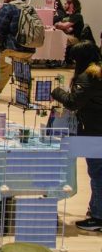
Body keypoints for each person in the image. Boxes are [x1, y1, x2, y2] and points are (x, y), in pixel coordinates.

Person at [53, 41, 102, 232]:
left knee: (97, 173)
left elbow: (73, 102)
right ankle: (96, 210)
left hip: (95, 132)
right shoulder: (97, 71)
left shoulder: (87, 77)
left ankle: (98, 217)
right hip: (97, 130)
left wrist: (57, 92)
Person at [0, 0, 39, 100]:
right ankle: (24, 97)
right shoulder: (29, 8)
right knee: (23, 70)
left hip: (11, 48)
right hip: (28, 48)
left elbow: (0, 27)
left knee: (5, 68)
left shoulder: (8, 7)